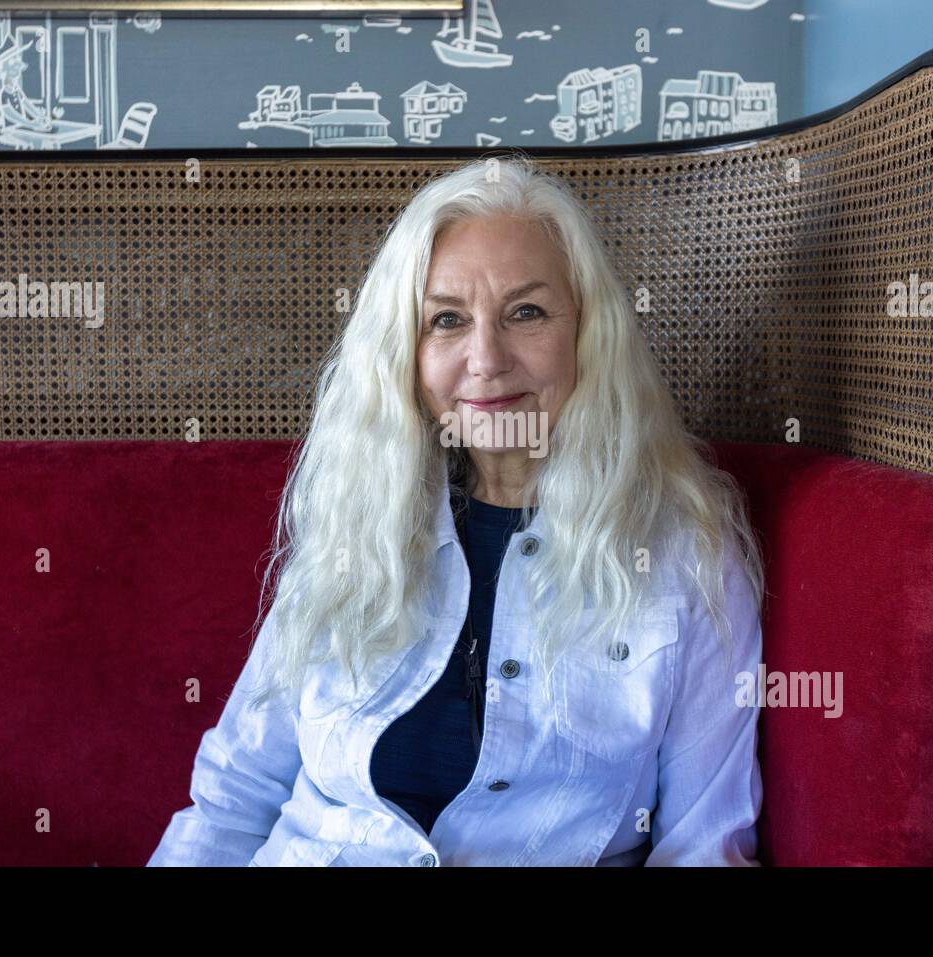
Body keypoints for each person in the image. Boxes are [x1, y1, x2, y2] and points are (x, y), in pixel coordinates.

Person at [147, 153, 766, 866]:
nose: (486, 357)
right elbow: (236, 791)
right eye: (446, 319)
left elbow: (702, 846)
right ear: (406, 355)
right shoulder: (359, 517)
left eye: (525, 312)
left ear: (588, 333)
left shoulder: (688, 558)